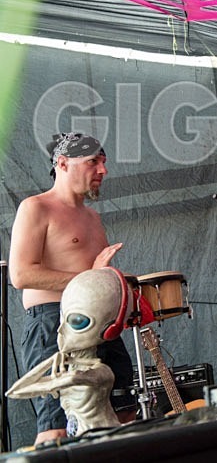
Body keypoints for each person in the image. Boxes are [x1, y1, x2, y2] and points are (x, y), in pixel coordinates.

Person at [8, 132, 136, 445]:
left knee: (123, 415)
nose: (103, 170)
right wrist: (89, 279)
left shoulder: (92, 217)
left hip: (103, 325)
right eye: (93, 161)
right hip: (55, 324)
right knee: (57, 428)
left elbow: (96, 276)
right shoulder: (36, 207)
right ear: (63, 164)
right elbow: (22, 274)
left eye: (104, 162)